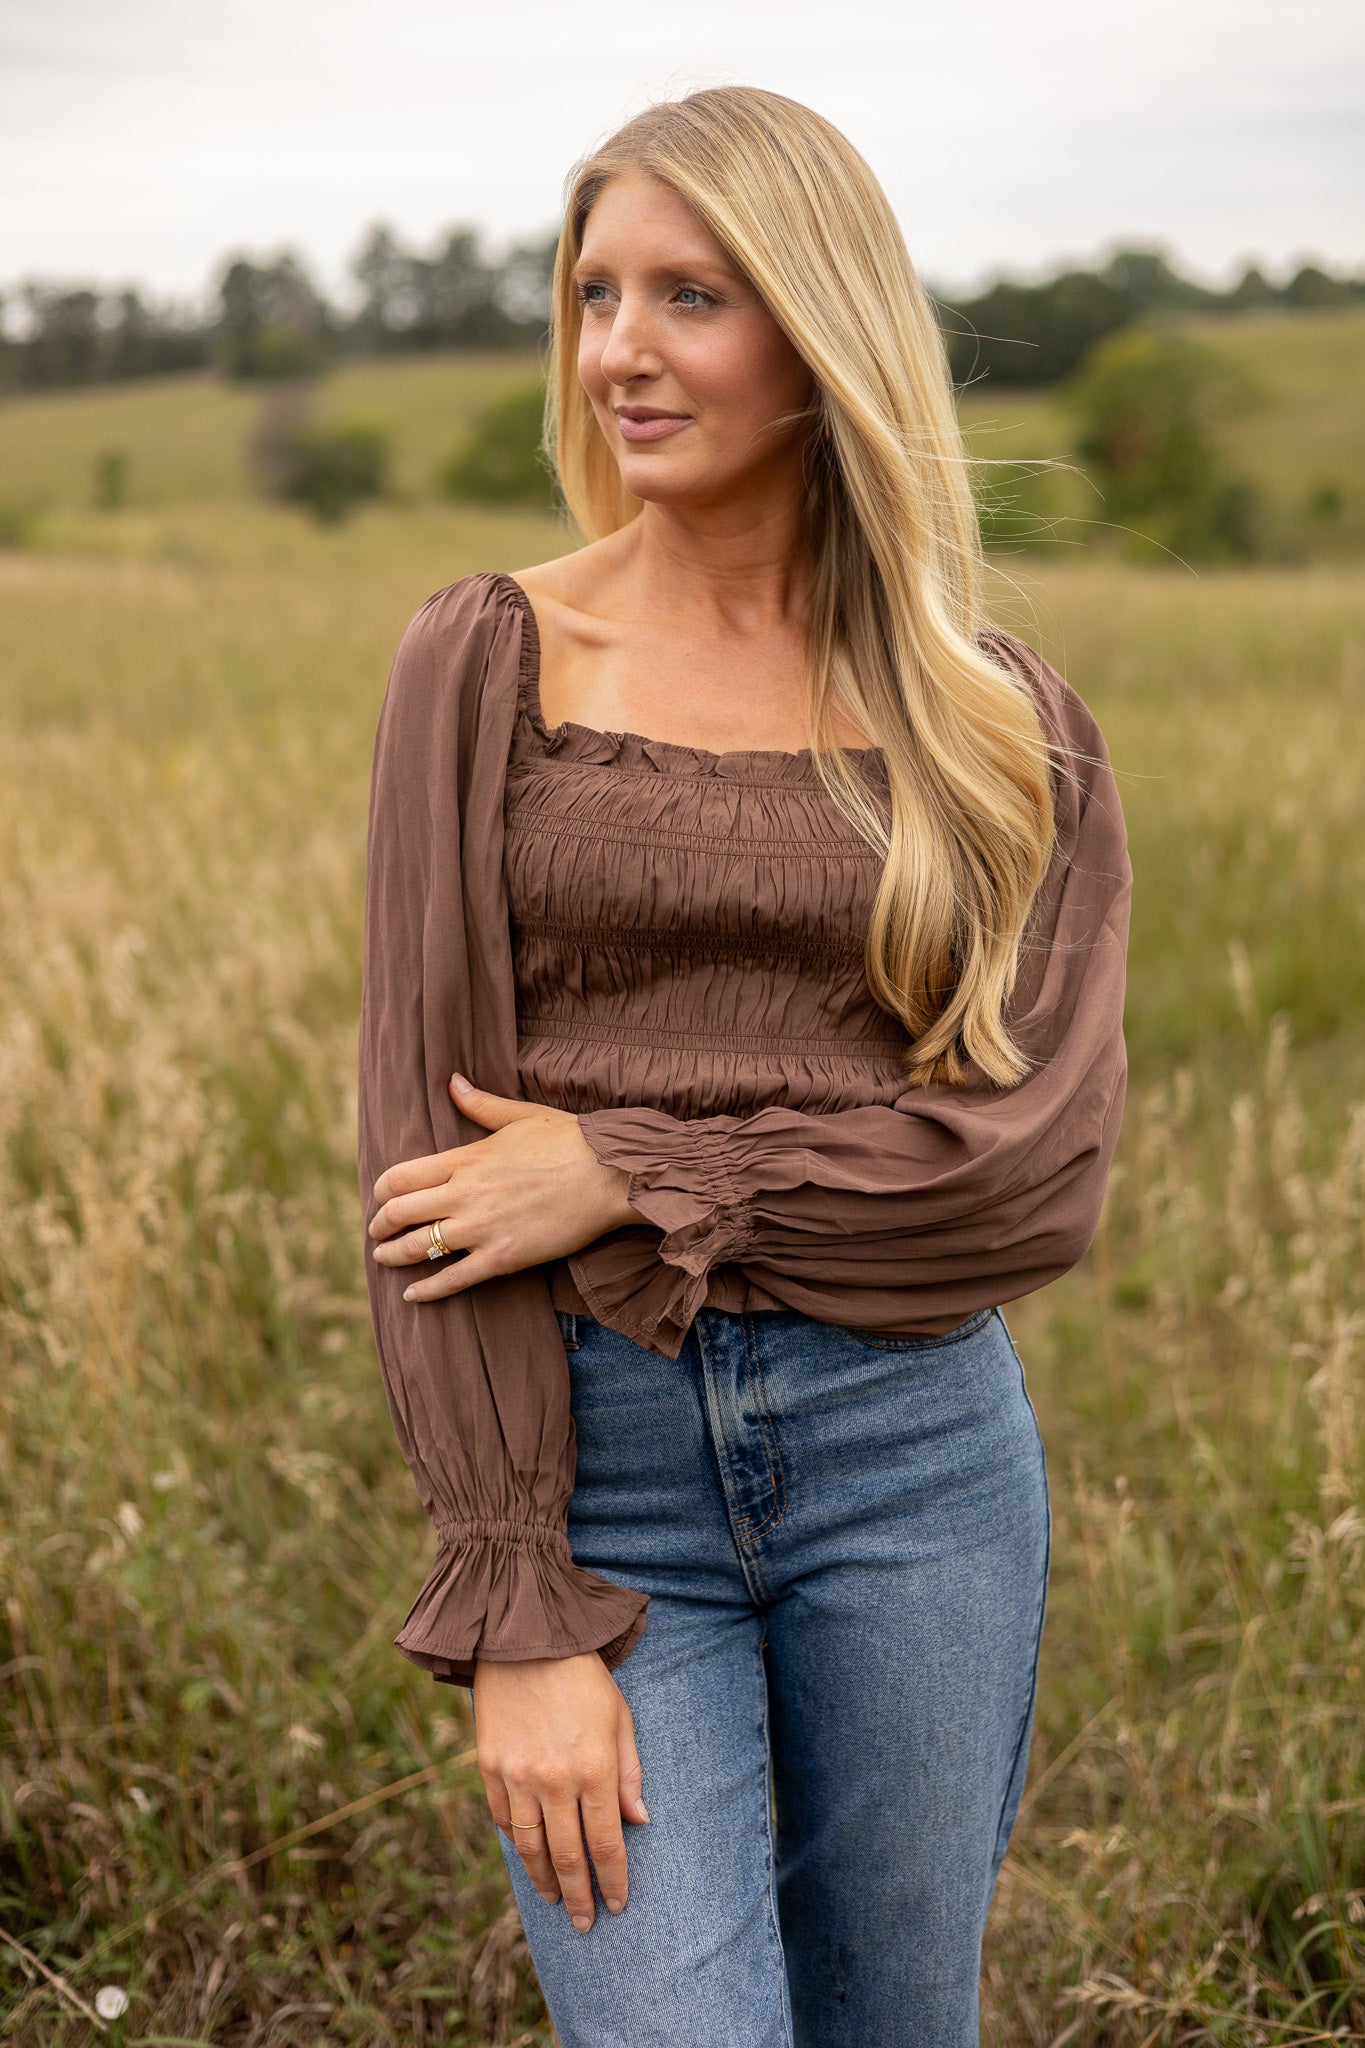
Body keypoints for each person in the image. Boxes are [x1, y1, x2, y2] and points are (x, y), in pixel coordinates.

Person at [357, 85, 1130, 2048]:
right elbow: (423, 1164)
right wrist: (514, 1598)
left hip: (915, 1456)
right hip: (596, 1468)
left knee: (895, 2025)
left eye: (686, 296)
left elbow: (1025, 1159)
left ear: (814, 330)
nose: (618, 347)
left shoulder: (990, 716)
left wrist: (632, 1165)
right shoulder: (483, 660)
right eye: (592, 293)